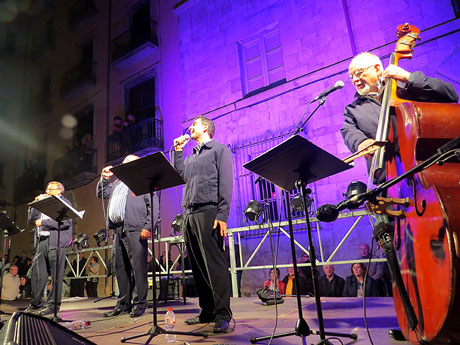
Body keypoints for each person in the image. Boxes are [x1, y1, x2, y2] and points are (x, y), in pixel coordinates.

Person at [340, 52, 458, 176]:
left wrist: (410, 77)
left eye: (358, 73)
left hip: (426, 166)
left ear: (377, 69)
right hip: (387, 179)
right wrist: (360, 142)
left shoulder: (406, 89)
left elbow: (449, 94)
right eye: (351, 76)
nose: (354, 79)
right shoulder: (352, 109)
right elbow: (348, 131)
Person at [173, 115, 233, 333]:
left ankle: (223, 314)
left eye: (195, 124)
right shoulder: (191, 157)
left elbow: (226, 182)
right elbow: (179, 176)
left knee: (214, 265)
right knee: (197, 266)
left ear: (205, 127)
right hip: (189, 214)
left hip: (209, 212)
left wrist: (223, 214)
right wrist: (178, 152)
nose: (190, 127)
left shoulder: (219, 150)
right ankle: (207, 310)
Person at [97, 154, 159, 318]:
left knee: (138, 267)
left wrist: (148, 226)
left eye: (129, 162)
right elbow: (101, 193)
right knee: (120, 267)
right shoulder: (117, 183)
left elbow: (153, 206)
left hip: (135, 228)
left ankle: (140, 304)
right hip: (117, 229)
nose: (125, 164)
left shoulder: (142, 181)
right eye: (124, 162)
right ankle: (123, 304)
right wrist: (104, 178)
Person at [25, 181, 72, 315]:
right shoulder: (45, 203)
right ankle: (35, 303)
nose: (47, 192)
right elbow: (32, 219)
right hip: (42, 241)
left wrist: (44, 223)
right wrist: (36, 204)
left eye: (50, 189)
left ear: (59, 191)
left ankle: (53, 305)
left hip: (56, 241)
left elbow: (66, 222)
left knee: (56, 275)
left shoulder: (64, 202)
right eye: (47, 189)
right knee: (37, 273)